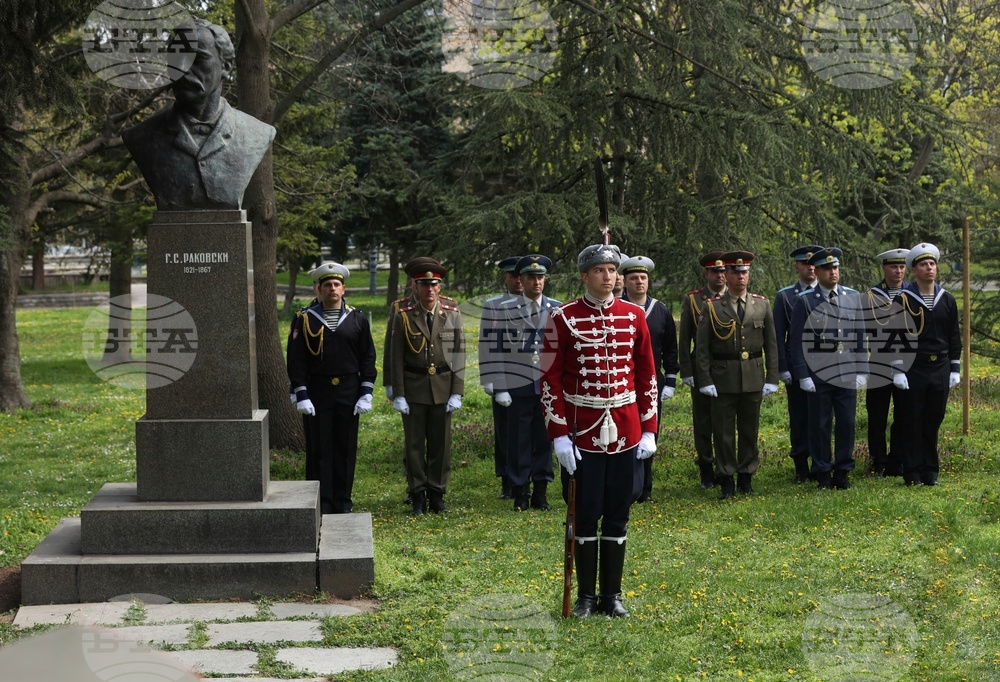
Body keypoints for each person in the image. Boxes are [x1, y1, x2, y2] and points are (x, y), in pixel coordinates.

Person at [540, 243, 658, 618]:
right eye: (601, 271)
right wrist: (558, 434)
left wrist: (650, 428)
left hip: (626, 429)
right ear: (584, 276)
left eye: (613, 271)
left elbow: (646, 374)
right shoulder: (561, 318)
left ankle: (612, 596)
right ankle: (587, 598)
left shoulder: (635, 316)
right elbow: (548, 379)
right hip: (581, 432)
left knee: (619, 511)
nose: (609, 277)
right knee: (585, 513)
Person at [122, 19, 275, 210]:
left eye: (197, 59)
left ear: (225, 67)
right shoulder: (141, 137)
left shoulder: (256, 134)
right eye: (176, 59)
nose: (182, 71)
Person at [287, 262, 377, 514]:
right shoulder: (303, 319)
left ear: (344, 289)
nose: (332, 289)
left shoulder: (357, 319)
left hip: (348, 391)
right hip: (318, 393)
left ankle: (343, 501)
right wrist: (301, 393)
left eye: (336, 285)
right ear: (318, 289)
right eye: (327, 285)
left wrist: (366, 391)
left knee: (345, 448)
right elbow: (296, 358)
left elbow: (367, 357)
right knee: (320, 449)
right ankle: (321, 503)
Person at [695, 251, 779, 499]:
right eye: (734, 272)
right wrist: (705, 380)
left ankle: (746, 476)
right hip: (723, 378)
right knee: (723, 432)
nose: (740, 276)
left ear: (749, 274)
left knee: (750, 429)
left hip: (753, 376)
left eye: (744, 272)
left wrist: (772, 377)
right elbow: (702, 349)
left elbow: (771, 344)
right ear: (727, 275)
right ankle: (726, 478)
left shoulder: (761, 304)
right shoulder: (711, 307)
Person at [390, 258, 466, 514]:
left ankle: (437, 494)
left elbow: (458, 353)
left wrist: (457, 391)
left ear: (440, 286)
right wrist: (397, 392)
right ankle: (417, 494)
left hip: (443, 388)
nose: (429, 290)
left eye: (433, 284)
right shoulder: (402, 313)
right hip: (413, 388)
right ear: (414, 285)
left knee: (441, 445)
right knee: (413, 445)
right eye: (424, 284)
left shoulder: (451, 311)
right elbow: (395, 355)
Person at [789, 248, 867, 490]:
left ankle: (843, 471)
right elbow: (796, 341)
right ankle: (822, 471)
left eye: (835, 268)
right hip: (818, 370)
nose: (832, 272)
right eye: (826, 268)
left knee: (846, 422)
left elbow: (860, 336)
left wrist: (862, 369)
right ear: (818, 272)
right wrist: (802, 374)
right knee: (820, 424)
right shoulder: (806, 301)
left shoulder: (852, 297)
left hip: (846, 369)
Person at [494, 255, 561, 511]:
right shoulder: (506, 309)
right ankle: (520, 491)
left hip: (547, 386)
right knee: (518, 441)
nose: (537, 282)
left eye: (540, 277)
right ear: (520, 279)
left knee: (544, 440)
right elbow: (495, 350)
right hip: (517, 385)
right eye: (531, 277)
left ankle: (541, 492)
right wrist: (500, 386)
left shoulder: (556, 308)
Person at [891, 243, 961, 487]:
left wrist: (955, 367)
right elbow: (895, 336)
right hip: (914, 367)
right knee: (912, 420)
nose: (929, 268)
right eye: (923, 264)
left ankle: (930, 471)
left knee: (933, 419)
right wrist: (898, 369)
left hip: (940, 367)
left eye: (932, 264)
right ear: (914, 270)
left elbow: (953, 334)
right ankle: (912, 472)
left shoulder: (947, 299)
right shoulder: (903, 300)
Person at [619, 255, 679, 502]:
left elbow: (670, 348)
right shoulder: (617, 309)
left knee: (649, 434)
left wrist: (672, 379)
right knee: (625, 433)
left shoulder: (661, 310)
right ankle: (625, 486)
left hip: (653, 384)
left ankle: (646, 488)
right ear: (625, 282)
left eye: (643, 278)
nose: (639, 282)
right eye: (634, 278)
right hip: (622, 383)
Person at [678, 251, 728, 489]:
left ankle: (725, 466)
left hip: (728, 368)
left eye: (722, 271)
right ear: (706, 273)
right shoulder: (694, 300)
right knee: (703, 420)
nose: (720, 275)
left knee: (726, 420)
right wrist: (686, 370)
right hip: (701, 367)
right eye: (715, 271)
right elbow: (685, 338)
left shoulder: (735, 297)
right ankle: (706, 467)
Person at [772, 245, 821, 483]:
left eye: (814, 264)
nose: (810, 268)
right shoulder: (785, 296)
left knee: (821, 416)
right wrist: (783, 367)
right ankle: (801, 463)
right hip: (797, 364)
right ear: (797, 267)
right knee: (800, 416)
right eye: (805, 263)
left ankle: (820, 461)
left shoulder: (828, 293)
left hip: (824, 365)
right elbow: (779, 336)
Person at [478, 256, 523, 500]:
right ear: (505, 278)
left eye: (520, 276)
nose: (517, 280)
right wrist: (488, 378)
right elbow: (486, 343)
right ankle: (507, 478)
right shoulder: (493, 305)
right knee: (505, 429)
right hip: (503, 375)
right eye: (512, 276)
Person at [864, 248, 909, 477]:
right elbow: (865, 330)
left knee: (903, 414)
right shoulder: (872, 295)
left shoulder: (913, 293)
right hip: (879, 363)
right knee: (877, 416)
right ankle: (878, 460)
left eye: (902, 267)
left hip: (908, 365)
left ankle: (897, 460)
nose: (898, 271)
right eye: (893, 266)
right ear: (884, 268)